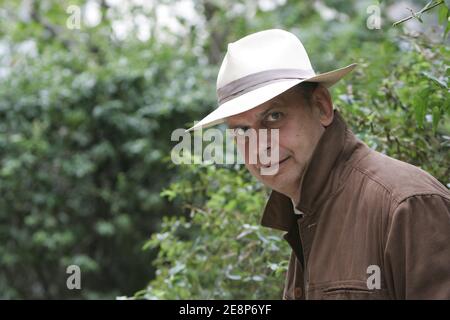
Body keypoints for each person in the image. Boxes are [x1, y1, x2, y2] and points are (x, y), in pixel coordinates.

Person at [186, 29, 450, 299]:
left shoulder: (407, 204)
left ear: (322, 107)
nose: (260, 145)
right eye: (242, 131)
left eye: (274, 116)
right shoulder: (304, 212)